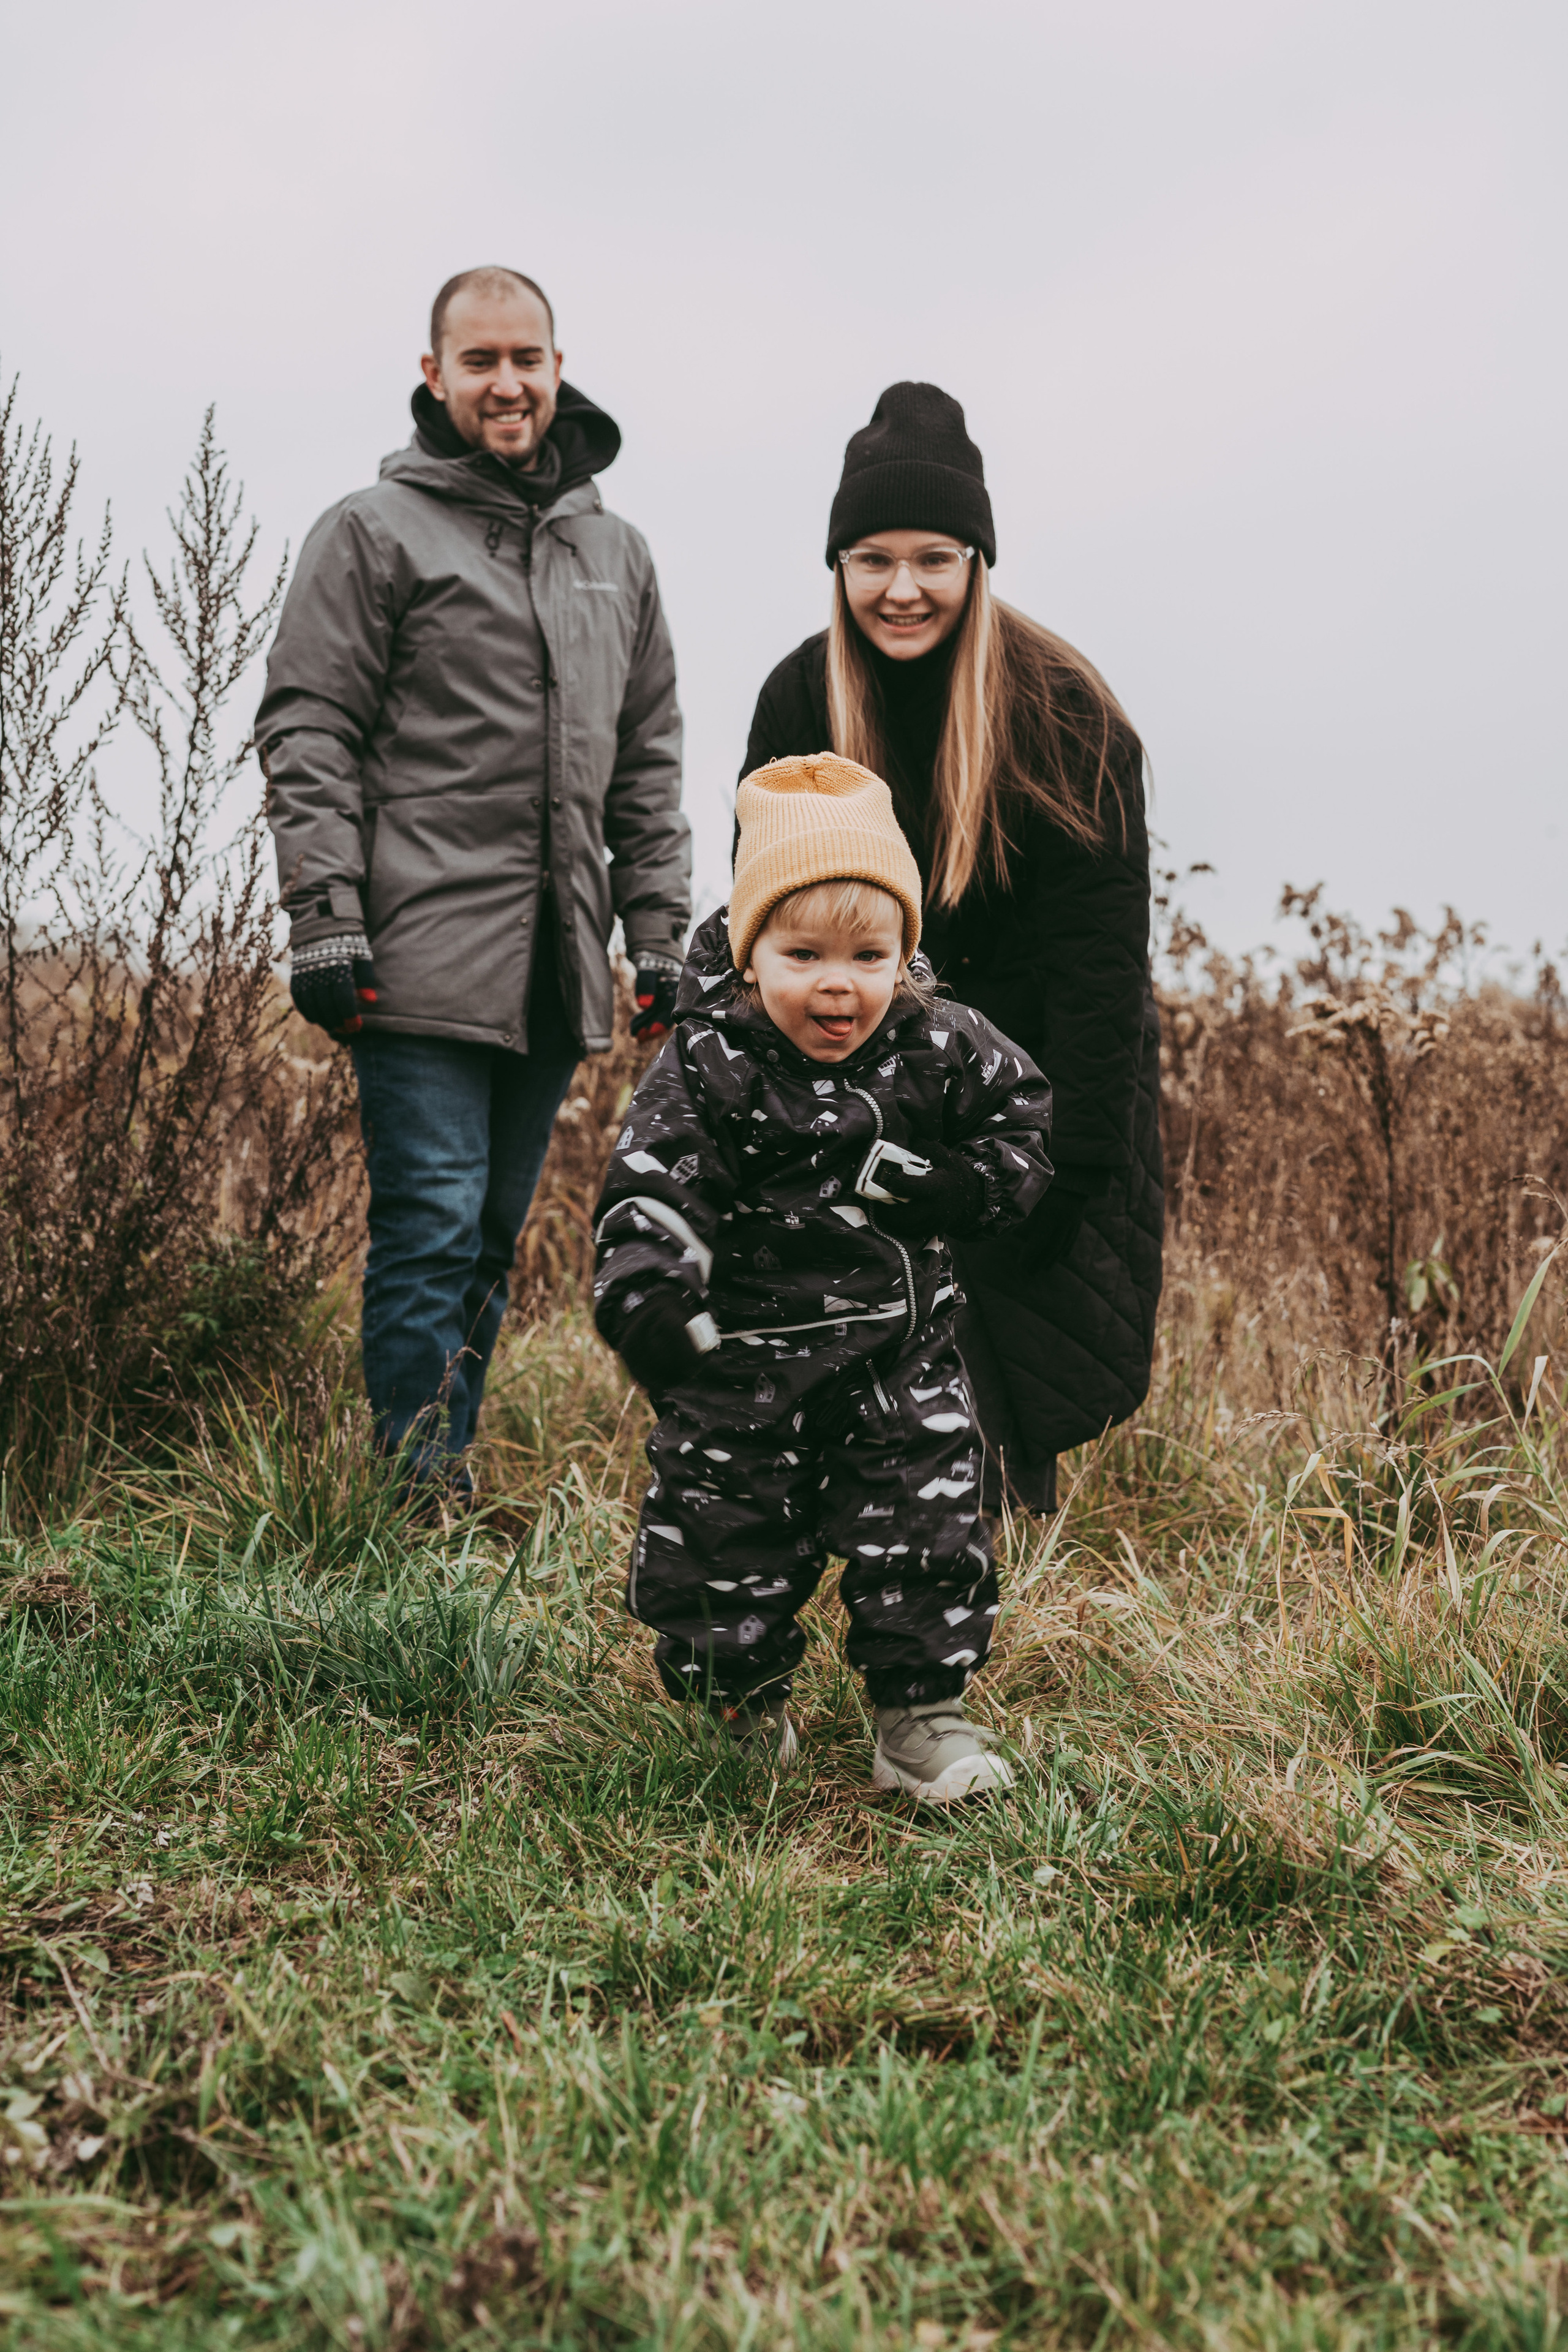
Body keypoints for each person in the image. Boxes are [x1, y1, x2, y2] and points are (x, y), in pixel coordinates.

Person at [257, 266, 690, 1494]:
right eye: (481, 360)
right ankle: (413, 1507)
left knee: (494, 1241)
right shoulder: (372, 532)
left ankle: (440, 1467)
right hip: (415, 957)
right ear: (433, 375)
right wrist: (325, 920)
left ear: (558, 369)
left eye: (528, 359)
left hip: (555, 966)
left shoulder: (618, 553)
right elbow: (308, 729)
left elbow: (646, 766)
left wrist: (657, 939)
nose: (508, 382)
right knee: (431, 1231)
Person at [592, 755, 1053, 1803]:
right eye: (803, 954)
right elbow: (653, 1190)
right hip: (740, 1363)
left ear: (904, 954)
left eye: (869, 953)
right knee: (718, 1541)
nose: (837, 983)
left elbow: (1025, 1132)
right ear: (752, 954)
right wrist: (650, 1294)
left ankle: (920, 1719)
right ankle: (736, 1709)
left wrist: (961, 1187)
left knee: (928, 1528)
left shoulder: (942, 1045)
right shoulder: (711, 1063)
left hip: (899, 1357)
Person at [742, 382, 1161, 1514]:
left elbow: (1101, 962)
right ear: (838, 567)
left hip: (1034, 1077)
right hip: (857, 1060)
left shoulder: (1068, 714)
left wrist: (1068, 1168)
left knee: (1010, 1358)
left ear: (978, 559)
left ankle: (1005, 1589)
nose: (903, 588)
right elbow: (754, 923)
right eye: (872, 558)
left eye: (934, 556)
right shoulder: (800, 700)